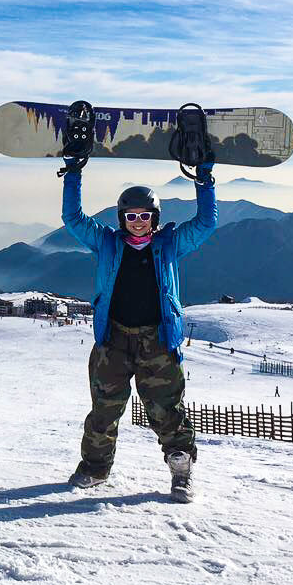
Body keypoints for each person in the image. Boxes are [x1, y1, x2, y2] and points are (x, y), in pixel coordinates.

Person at [61, 152, 216, 502]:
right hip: (113, 338)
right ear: (122, 218)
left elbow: (206, 224)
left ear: (155, 218)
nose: (138, 222)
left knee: (166, 409)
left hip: (157, 340)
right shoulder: (107, 242)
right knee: (105, 407)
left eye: (145, 216)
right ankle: (95, 469)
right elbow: (73, 218)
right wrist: (73, 174)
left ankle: (181, 474)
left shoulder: (170, 245)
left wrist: (204, 181)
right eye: (131, 216)